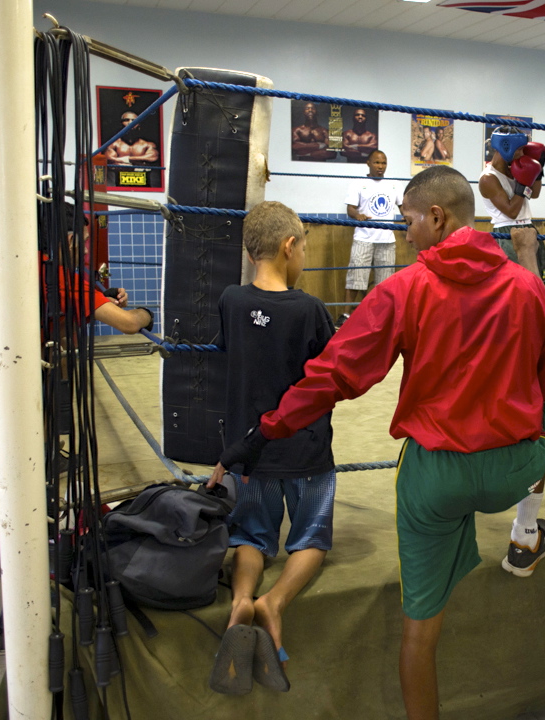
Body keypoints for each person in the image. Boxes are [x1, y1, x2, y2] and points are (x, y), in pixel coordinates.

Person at [222, 166, 545, 719]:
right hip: (515, 468)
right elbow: (543, 374)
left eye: (407, 222)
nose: (405, 234)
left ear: (436, 217)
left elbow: (336, 375)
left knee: (419, 635)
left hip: (437, 478)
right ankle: (526, 532)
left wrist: (267, 430)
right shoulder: (528, 285)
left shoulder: (407, 288)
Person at [0, 219, 153, 658]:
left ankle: (7, 606)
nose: (81, 248)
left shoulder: (12, 264)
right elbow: (125, 324)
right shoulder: (50, 273)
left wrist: (93, 296)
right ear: (63, 240)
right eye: (77, 241)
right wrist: (146, 314)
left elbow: (52, 321)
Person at [205, 201, 336, 693]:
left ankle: (241, 598)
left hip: (247, 453)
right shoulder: (310, 309)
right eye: (302, 245)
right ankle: (274, 602)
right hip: (304, 452)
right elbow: (327, 379)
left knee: (251, 537)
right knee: (311, 539)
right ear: (289, 246)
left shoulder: (231, 300)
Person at [478, 126, 545, 369]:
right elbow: (511, 209)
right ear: (503, 147)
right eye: (517, 150)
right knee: (516, 294)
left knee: (539, 289)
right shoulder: (488, 178)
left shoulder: (516, 167)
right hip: (506, 234)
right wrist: (523, 182)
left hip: (529, 229)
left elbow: (534, 195)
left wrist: (538, 170)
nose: (521, 155)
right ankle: (513, 345)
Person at [338, 150, 402, 328]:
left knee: (386, 282)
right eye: (377, 163)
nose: (380, 167)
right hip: (363, 238)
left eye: (383, 163)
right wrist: (357, 215)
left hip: (387, 239)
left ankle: (382, 318)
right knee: (356, 278)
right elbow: (350, 209)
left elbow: (403, 207)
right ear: (368, 163)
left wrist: (410, 220)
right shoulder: (358, 183)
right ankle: (345, 315)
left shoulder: (393, 185)